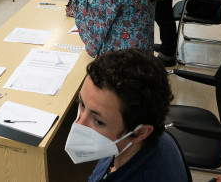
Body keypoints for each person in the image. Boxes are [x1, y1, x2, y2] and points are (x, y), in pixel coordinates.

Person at [65, 49, 188, 182]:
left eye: (98, 121)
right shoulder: (132, 142)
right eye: (82, 104)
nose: (78, 124)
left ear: (139, 132)